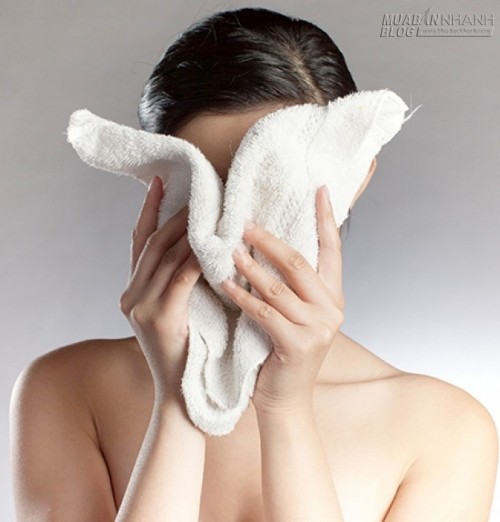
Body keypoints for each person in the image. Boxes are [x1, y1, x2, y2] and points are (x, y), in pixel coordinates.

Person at [10, 7, 498, 521]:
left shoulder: (444, 430)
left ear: (353, 180)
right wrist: (178, 402)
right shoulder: (65, 392)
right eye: (205, 188)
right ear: (158, 182)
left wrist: (286, 411)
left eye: (267, 188)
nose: (224, 240)